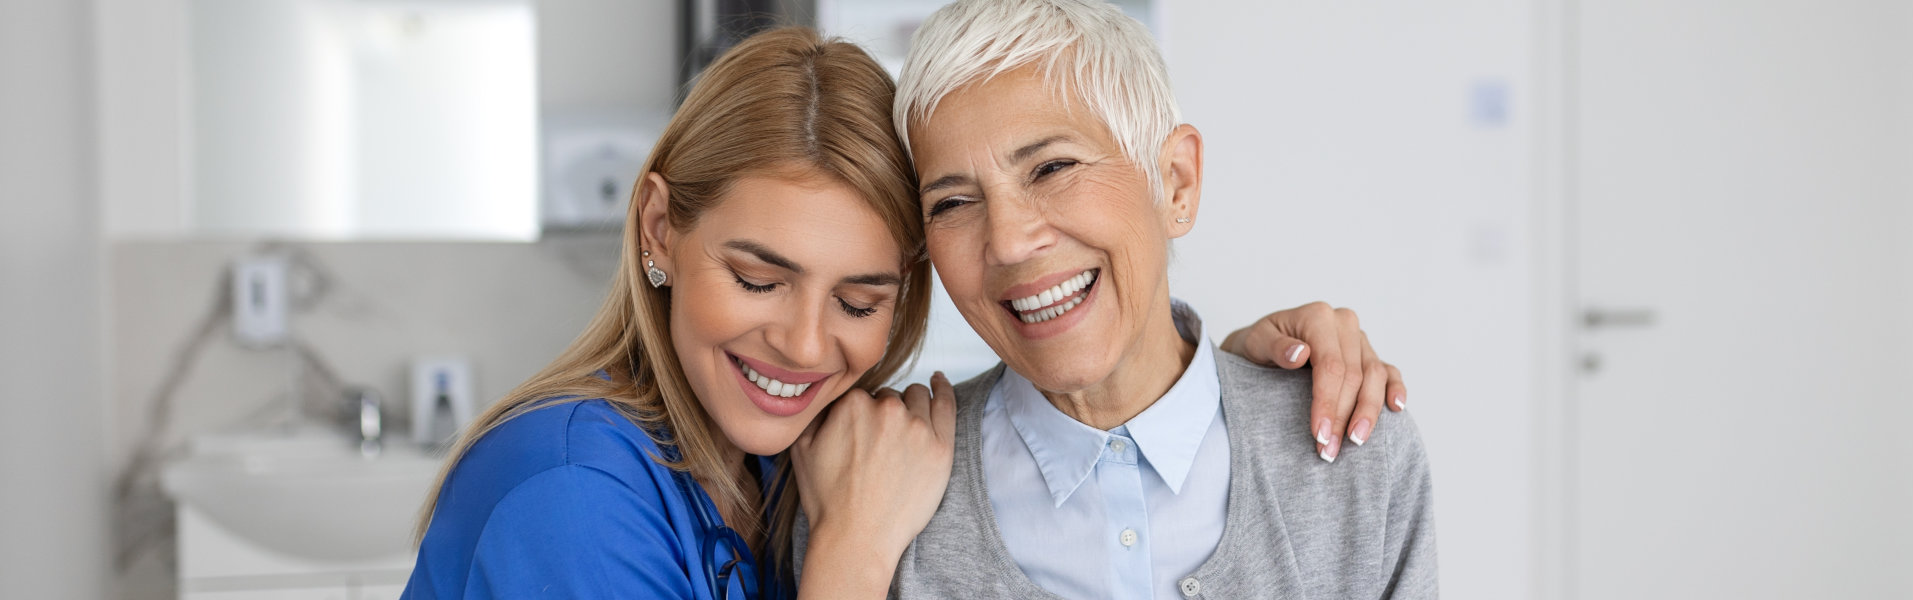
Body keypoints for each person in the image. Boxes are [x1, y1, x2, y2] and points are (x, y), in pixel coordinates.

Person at [404, 25, 1407, 600]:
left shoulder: (799, 456)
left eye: (859, 299)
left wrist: (1212, 384)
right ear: (660, 231)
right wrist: (851, 554)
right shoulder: (571, 499)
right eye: (758, 278)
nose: (803, 342)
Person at [791, 1, 1436, 598]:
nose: (1010, 242)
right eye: (953, 203)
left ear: (1175, 183)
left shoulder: (1358, 464)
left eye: (1052, 168)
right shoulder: (868, 496)